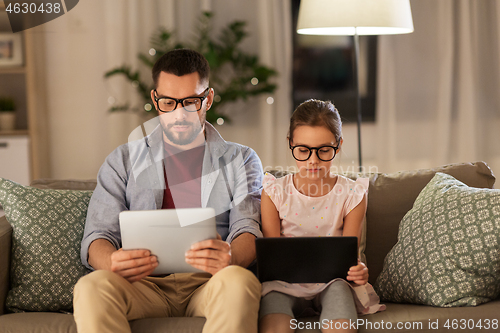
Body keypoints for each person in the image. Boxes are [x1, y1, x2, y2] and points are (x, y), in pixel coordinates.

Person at [73, 49, 263, 333]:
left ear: (208, 98)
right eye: (168, 103)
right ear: (154, 99)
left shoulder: (242, 159)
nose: (179, 114)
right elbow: (98, 236)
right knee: (91, 286)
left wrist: (231, 257)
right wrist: (112, 260)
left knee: (241, 281)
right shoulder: (123, 159)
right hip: (141, 284)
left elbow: (247, 228)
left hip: (211, 282)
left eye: (190, 102)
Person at [259, 99, 384, 333]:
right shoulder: (274, 192)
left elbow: (350, 255)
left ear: (338, 145)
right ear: (291, 144)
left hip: (333, 282)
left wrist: (359, 270)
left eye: (324, 150)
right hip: (282, 284)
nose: (313, 160)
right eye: (303, 150)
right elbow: (272, 258)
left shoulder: (352, 194)